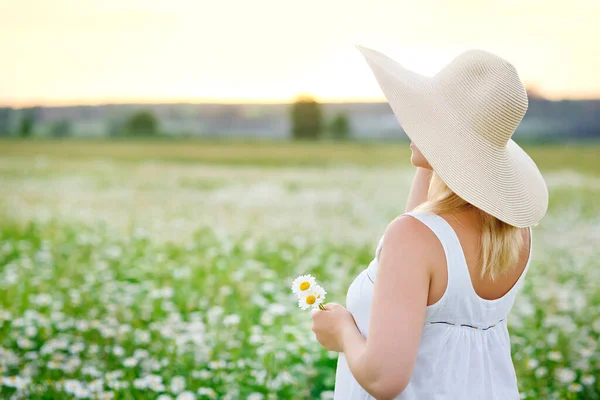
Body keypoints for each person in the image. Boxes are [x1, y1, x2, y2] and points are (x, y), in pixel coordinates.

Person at [310, 45, 549, 400]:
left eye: (425, 117)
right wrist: (439, 158)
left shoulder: (415, 238)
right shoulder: (515, 233)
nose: (410, 123)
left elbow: (383, 379)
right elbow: (418, 227)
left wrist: (342, 330)